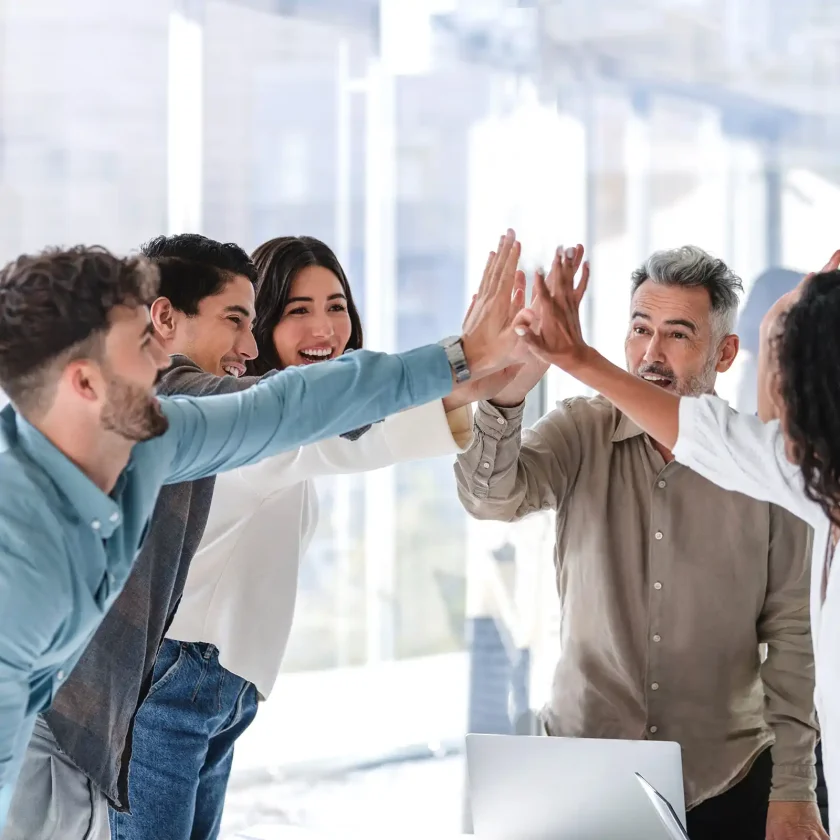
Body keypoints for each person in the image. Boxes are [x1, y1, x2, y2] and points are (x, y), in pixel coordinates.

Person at [0, 230, 521, 833]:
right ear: (86, 385)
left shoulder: (153, 441)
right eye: (142, 345)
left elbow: (282, 409)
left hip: (79, 739)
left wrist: (458, 358)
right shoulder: (21, 554)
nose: (161, 362)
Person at [456, 245, 821, 840]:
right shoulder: (581, 428)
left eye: (678, 334)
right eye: (640, 329)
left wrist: (795, 791)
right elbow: (489, 498)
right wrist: (507, 397)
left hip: (727, 781)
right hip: (583, 772)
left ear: (726, 352)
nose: (652, 354)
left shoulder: (761, 467)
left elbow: (790, 636)